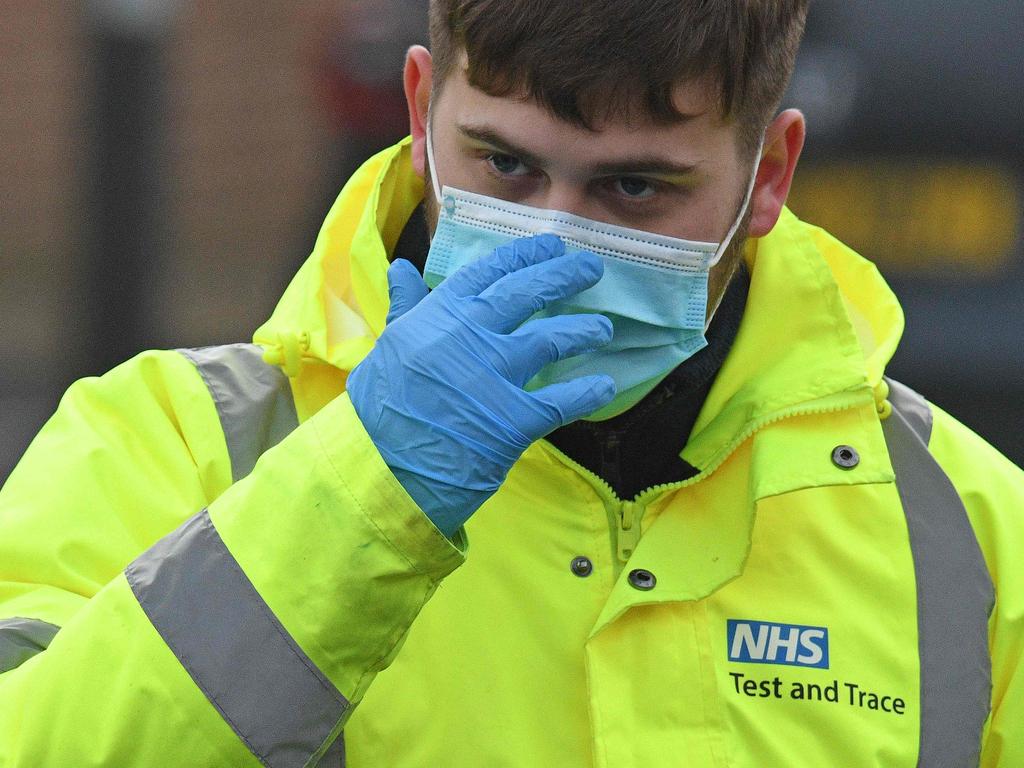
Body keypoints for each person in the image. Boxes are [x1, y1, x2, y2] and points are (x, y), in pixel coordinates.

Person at [1, 1, 1021, 765]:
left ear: (767, 176)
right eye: (504, 166)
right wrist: (368, 488)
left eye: (633, 187)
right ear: (417, 111)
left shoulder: (967, 533)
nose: (554, 237)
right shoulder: (170, 444)